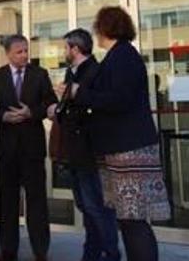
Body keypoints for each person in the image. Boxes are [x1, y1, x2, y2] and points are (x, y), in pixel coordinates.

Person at [73, 6, 170, 261]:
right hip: (122, 150)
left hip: (130, 151)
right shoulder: (120, 55)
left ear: (104, 28)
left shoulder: (123, 56)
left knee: (133, 219)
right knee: (128, 219)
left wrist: (79, 94)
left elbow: (118, 100)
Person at [0, 34, 57, 261]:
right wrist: (3, 116)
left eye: (26, 50)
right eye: (19, 52)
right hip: (8, 149)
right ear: (8, 54)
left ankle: (40, 251)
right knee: (7, 202)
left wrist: (31, 112)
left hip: (32, 148)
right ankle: (7, 250)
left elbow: (49, 102)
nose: (24, 55)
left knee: (37, 201)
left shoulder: (39, 74)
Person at [49, 28, 120, 261]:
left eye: (65, 47)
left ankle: (110, 253)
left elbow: (97, 108)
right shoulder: (74, 73)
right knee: (86, 207)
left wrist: (71, 98)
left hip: (90, 153)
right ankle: (91, 252)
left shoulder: (95, 72)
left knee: (97, 208)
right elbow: (70, 108)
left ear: (75, 49)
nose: (64, 51)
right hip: (74, 153)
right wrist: (58, 109)